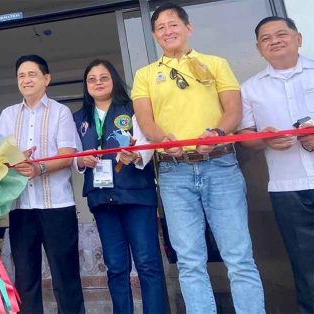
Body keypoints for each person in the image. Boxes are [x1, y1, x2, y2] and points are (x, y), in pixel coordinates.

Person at [130, 3, 264, 313]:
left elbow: (234, 110)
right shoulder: (145, 75)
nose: (168, 31)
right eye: (161, 27)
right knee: (190, 261)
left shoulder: (215, 63)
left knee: (239, 257)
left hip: (220, 165)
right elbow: (146, 121)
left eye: (174, 24)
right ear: (154, 35)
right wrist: (163, 141)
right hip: (174, 172)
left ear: (188, 28)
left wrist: (216, 133)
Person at [73, 59, 165, 313]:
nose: (98, 83)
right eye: (92, 79)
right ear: (86, 85)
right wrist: (81, 160)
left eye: (104, 77)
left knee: (147, 263)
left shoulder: (133, 109)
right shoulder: (79, 118)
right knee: (115, 266)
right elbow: (74, 156)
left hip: (136, 195)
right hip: (102, 200)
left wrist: (135, 156)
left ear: (114, 80)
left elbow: (146, 146)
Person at [0, 54, 84, 313]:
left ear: (46, 79)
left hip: (57, 206)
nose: (26, 80)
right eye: (21, 75)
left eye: (31, 74)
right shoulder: (8, 114)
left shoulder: (61, 112)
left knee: (65, 278)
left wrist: (38, 167)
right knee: (26, 280)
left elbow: (68, 154)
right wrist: (13, 162)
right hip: (21, 207)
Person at [238, 16, 314, 313]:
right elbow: (245, 137)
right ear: (259, 48)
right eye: (266, 38)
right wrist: (264, 139)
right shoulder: (250, 88)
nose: (275, 41)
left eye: (282, 34)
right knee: (305, 268)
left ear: (298, 38)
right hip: (287, 188)